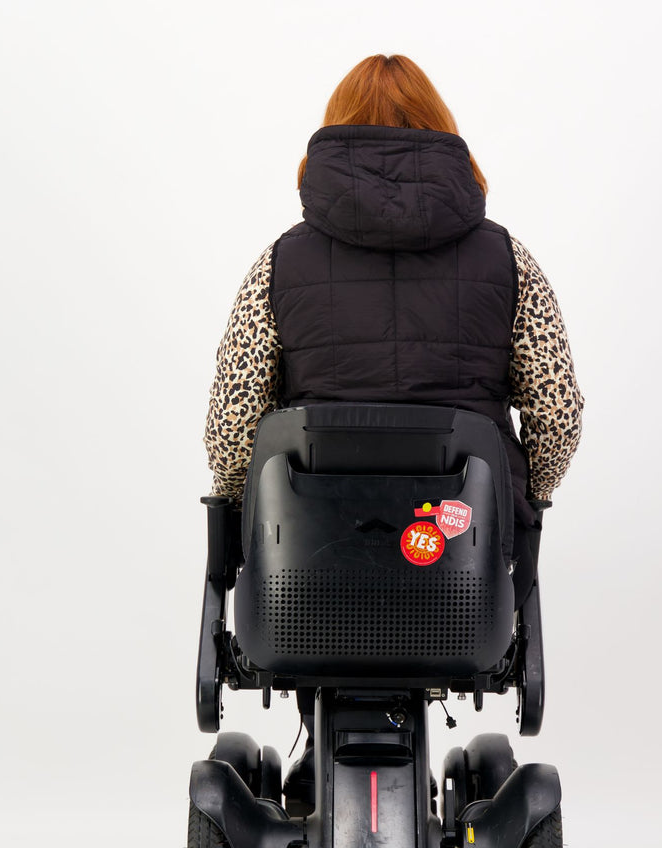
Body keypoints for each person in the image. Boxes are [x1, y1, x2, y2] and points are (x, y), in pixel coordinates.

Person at [204, 55, 584, 805]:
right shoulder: (507, 261)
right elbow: (557, 409)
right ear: (442, 138)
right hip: (453, 571)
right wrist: (523, 502)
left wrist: (230, 507)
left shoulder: (282, 263)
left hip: (303, 582)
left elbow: (232, 416)